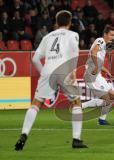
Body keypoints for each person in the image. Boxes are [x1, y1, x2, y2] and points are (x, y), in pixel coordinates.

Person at [14, 10, 87, 150]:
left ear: (56, 22)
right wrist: (73, 72)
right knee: (76, 103)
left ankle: (24, 134)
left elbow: (35, 59)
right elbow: (74, 52)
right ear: (70, 22)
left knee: (36, 103)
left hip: (47, 71)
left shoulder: (47, 37)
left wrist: (44, 74)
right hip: (64, 71)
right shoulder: (73, 35)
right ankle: (76, 139)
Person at [83, 25, 114, 125]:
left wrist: (107, 71)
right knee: (107, 99)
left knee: (112, 96)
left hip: (97, 75)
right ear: (105, 34)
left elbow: (97, 60)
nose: (113, 37)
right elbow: (93, 53)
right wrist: (97, 67)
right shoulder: (101, 41)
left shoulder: (104, 46)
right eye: (111, 35)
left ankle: (102, 120)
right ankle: (81, 106)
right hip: (92, 76)